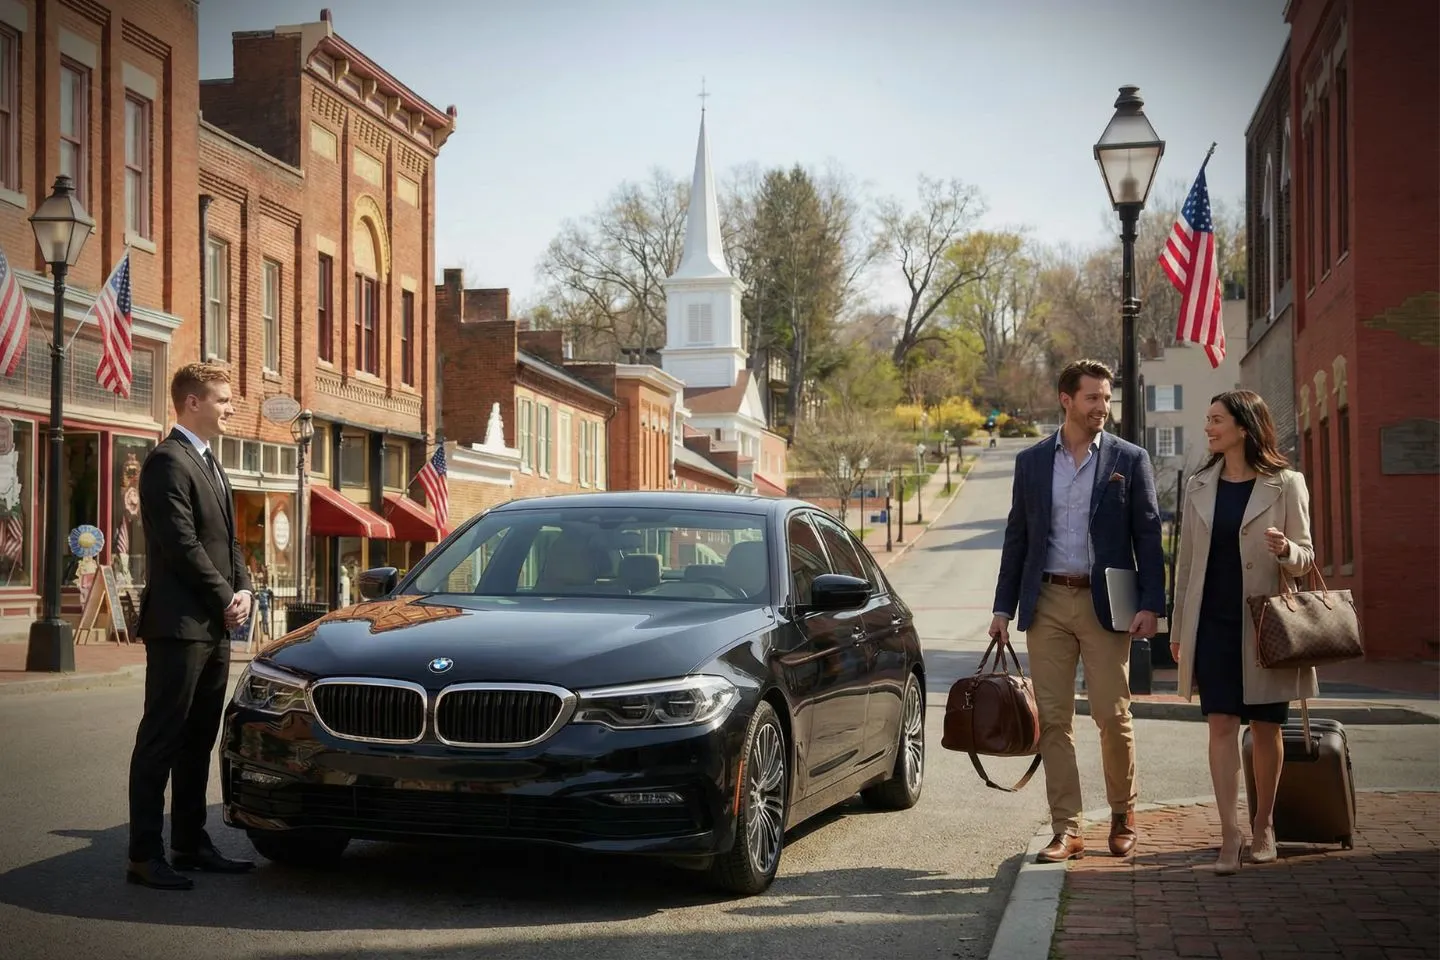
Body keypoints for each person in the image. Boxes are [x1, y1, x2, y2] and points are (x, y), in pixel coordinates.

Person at [989, 359, 1165, 863]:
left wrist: (1152, 604)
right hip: (1045, 601)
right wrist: (1003, 608)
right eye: (1093, 398)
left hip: (1106, 602)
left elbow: (1148, 535)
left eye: (1107, 398)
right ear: (1066, 400)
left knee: (1112, 713)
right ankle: (1067, 828)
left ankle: (1123, 814)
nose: (1102, 407)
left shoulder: (1129, 459)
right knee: (1053, 720)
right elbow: (1017, 537)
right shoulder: (1031, 462)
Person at [1169, 390, 1315, 875]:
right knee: (1221, 724)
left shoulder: (1286, 483)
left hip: (1265, 623)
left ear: (1244, 427)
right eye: (1208, 419)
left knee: (1267, 726)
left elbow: (1307, 557)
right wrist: (1178, 628)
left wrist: (1286, 550)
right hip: (1211, 622)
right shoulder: (1199, 485)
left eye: (1216, 420)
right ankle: (1229, 833)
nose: (1208, 428)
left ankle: (1263, 824)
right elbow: (1186, 566)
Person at [126, 363, 255, 890]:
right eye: (223, 400)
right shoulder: (166, 462)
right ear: (192, 403)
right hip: (179, 627)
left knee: (198, 739)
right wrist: (226, 597)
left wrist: (245, 588)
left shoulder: (210, 463)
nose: (230, 408)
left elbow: (229, 541)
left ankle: (189, 841)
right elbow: (182, 545)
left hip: (215, 625)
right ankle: (143, 855)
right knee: (161, 739)